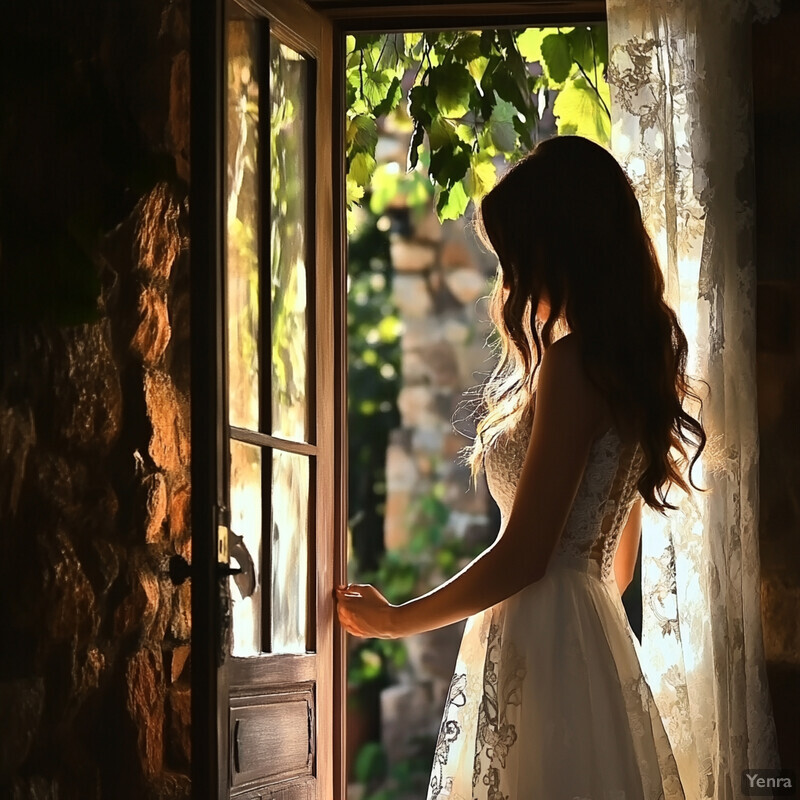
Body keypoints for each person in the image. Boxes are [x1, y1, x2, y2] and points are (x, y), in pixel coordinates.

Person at [335, 135, 706, 800]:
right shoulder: (629, 372)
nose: (509, 278)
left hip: (543, 640)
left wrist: (395, 621)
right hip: (590, 644)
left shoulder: (572, 366)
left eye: (518, 252)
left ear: (563, 244)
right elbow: (612, 570)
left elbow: (527, 555)